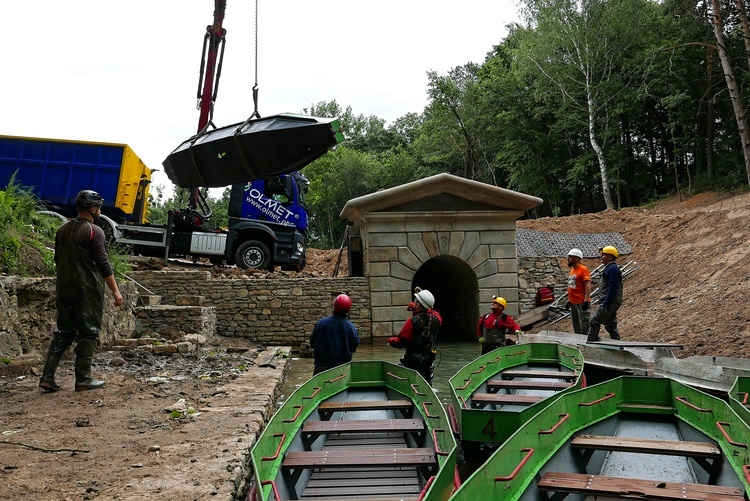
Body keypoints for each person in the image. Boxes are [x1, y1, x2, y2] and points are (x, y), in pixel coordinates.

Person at [39, 190, 124, 392]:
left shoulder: (61, 230)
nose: (100, 211)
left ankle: (47, 376)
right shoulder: (94, 231)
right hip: (87, 290)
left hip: (64, 288)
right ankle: (83, 379)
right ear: (93, 209)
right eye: (99, 208)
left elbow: (57, 260)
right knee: (89, 332)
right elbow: (103, 264)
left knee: (64, 332)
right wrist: (116, 291)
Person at [387, 288, 442, 384]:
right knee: (426, 384)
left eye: (416, 301)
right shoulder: (436, 320)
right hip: (428, 361)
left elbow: (402, 342)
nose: (414, 302)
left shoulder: (412, 321)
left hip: (411, 361)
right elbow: (434, 313)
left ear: (418, 304)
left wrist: (391, 341)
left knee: (403, 381)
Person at [309, 293, 360, 375]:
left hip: (322, 369)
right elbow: (353, 347)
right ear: (348, 310)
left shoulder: (322, 323)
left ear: (334, 306)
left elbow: (312, 342)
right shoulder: (352, 328)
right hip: (342, 370)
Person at [587, 246, 623, 342]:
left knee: (594, 321)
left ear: (610, 257)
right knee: (611, 325)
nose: (601, 257)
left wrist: (606, 303)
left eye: (604, 255)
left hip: (609, 302)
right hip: (611, 301)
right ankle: (618, 346)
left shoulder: (612, 269)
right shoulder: (610, 268)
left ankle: (590, 345)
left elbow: (613, 287)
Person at [566, 248, 592, 335]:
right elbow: (572, 286)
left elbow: (588, 285)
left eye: (570, 257)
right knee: (576, 326)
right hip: (574, 303)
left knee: (585, 326)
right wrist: (569, 300)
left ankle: (587, 344)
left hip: (581, 303)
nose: (568, 259)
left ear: (576, 258)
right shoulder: (572, 270)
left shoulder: (583, 270)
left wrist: (586, 300)